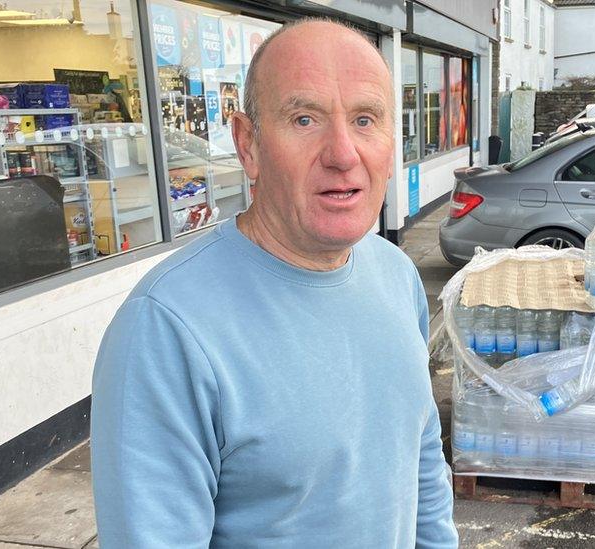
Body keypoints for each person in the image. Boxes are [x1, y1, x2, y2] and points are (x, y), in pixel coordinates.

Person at [90, 19, 458, 548]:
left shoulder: (395, 274)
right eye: (304, 119)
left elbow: (419, 455)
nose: (342, 153)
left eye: (365, 119)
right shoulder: (166, 330)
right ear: (248, 145)